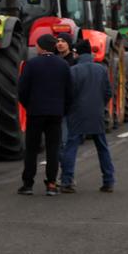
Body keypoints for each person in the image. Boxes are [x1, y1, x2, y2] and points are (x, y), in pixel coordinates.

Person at [18, 33, 74, 195]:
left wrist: (29, 105)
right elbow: (69, 91)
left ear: (41, 47)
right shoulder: (63, 65)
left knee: (32, 149)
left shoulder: (31, 64)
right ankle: (51, 183)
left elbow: (22, 90)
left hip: (35, 112)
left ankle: (28, 184)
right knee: (53, 149)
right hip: (55, 113)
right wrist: (63, 109)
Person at [60, 39, 116, 193]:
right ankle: (108, 180)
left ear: (77, 53)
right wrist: (99, 105)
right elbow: (108, 92)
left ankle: (67, 181)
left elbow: (69, 94)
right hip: (96, 113)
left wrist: (68, 109)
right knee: (102, 147)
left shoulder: (74, 70)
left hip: (77, 113)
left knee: (71, 147)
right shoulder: (101, 69)